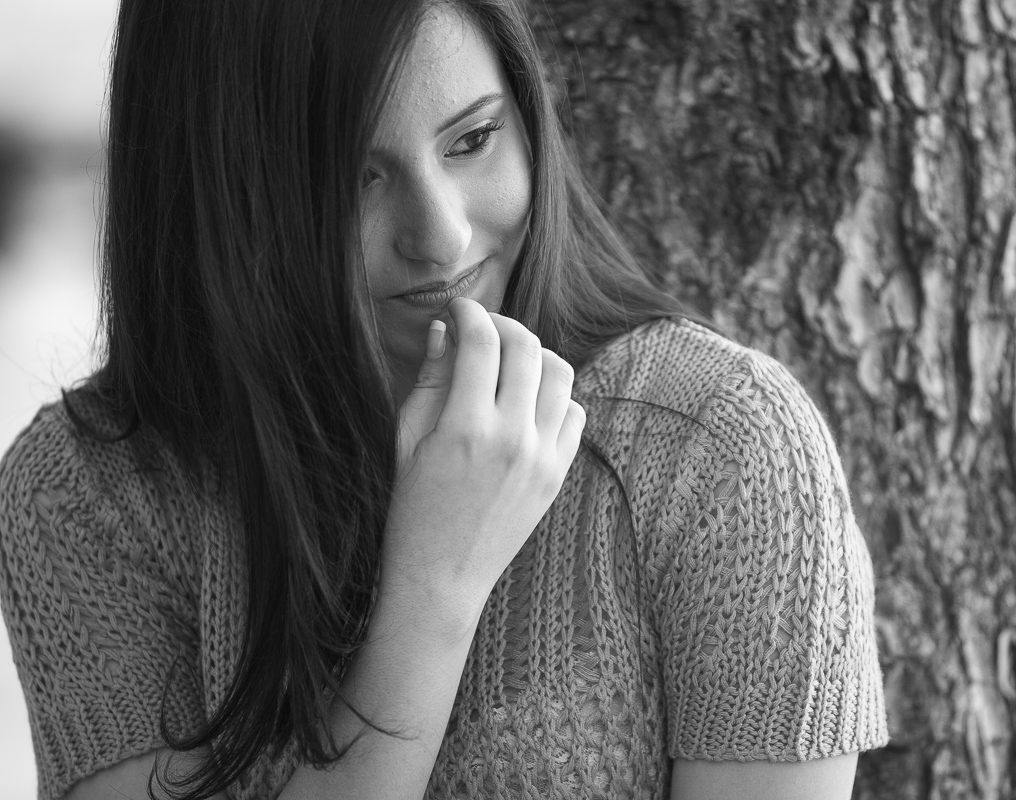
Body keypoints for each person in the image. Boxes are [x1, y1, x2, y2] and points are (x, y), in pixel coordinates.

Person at [0, 0, 889, 798]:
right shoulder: (83, 498)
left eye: (472, 139)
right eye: (354, 177)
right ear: (214, 195)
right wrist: (431, 591)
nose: (443, 235)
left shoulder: (721, 449)